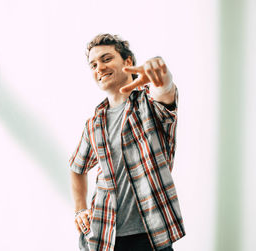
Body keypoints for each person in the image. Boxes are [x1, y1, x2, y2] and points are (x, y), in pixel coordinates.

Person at [69, 34, 185, 251]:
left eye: (106, 59)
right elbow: (77, 168)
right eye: (93, 64)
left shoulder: (149, 104)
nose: (99, 68)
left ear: (128, 62)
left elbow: (166, 92)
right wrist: (80, 210)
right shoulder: (94, 122)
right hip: (102, 237)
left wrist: (164, 78)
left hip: (150, 238)